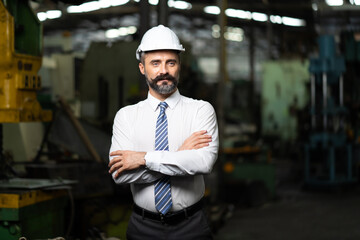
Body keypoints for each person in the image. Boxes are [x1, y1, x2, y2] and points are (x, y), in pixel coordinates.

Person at [108, 25, 219, 240]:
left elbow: (203, 163)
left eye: (171, 62)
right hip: (142, 228)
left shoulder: (201, 110)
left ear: (179, 66)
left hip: (191, 226)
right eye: (155, 63)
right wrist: (180, 155)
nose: (163, 71)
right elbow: (119, 175)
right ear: (142, 68)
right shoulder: (126, 116)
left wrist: (143, 158)